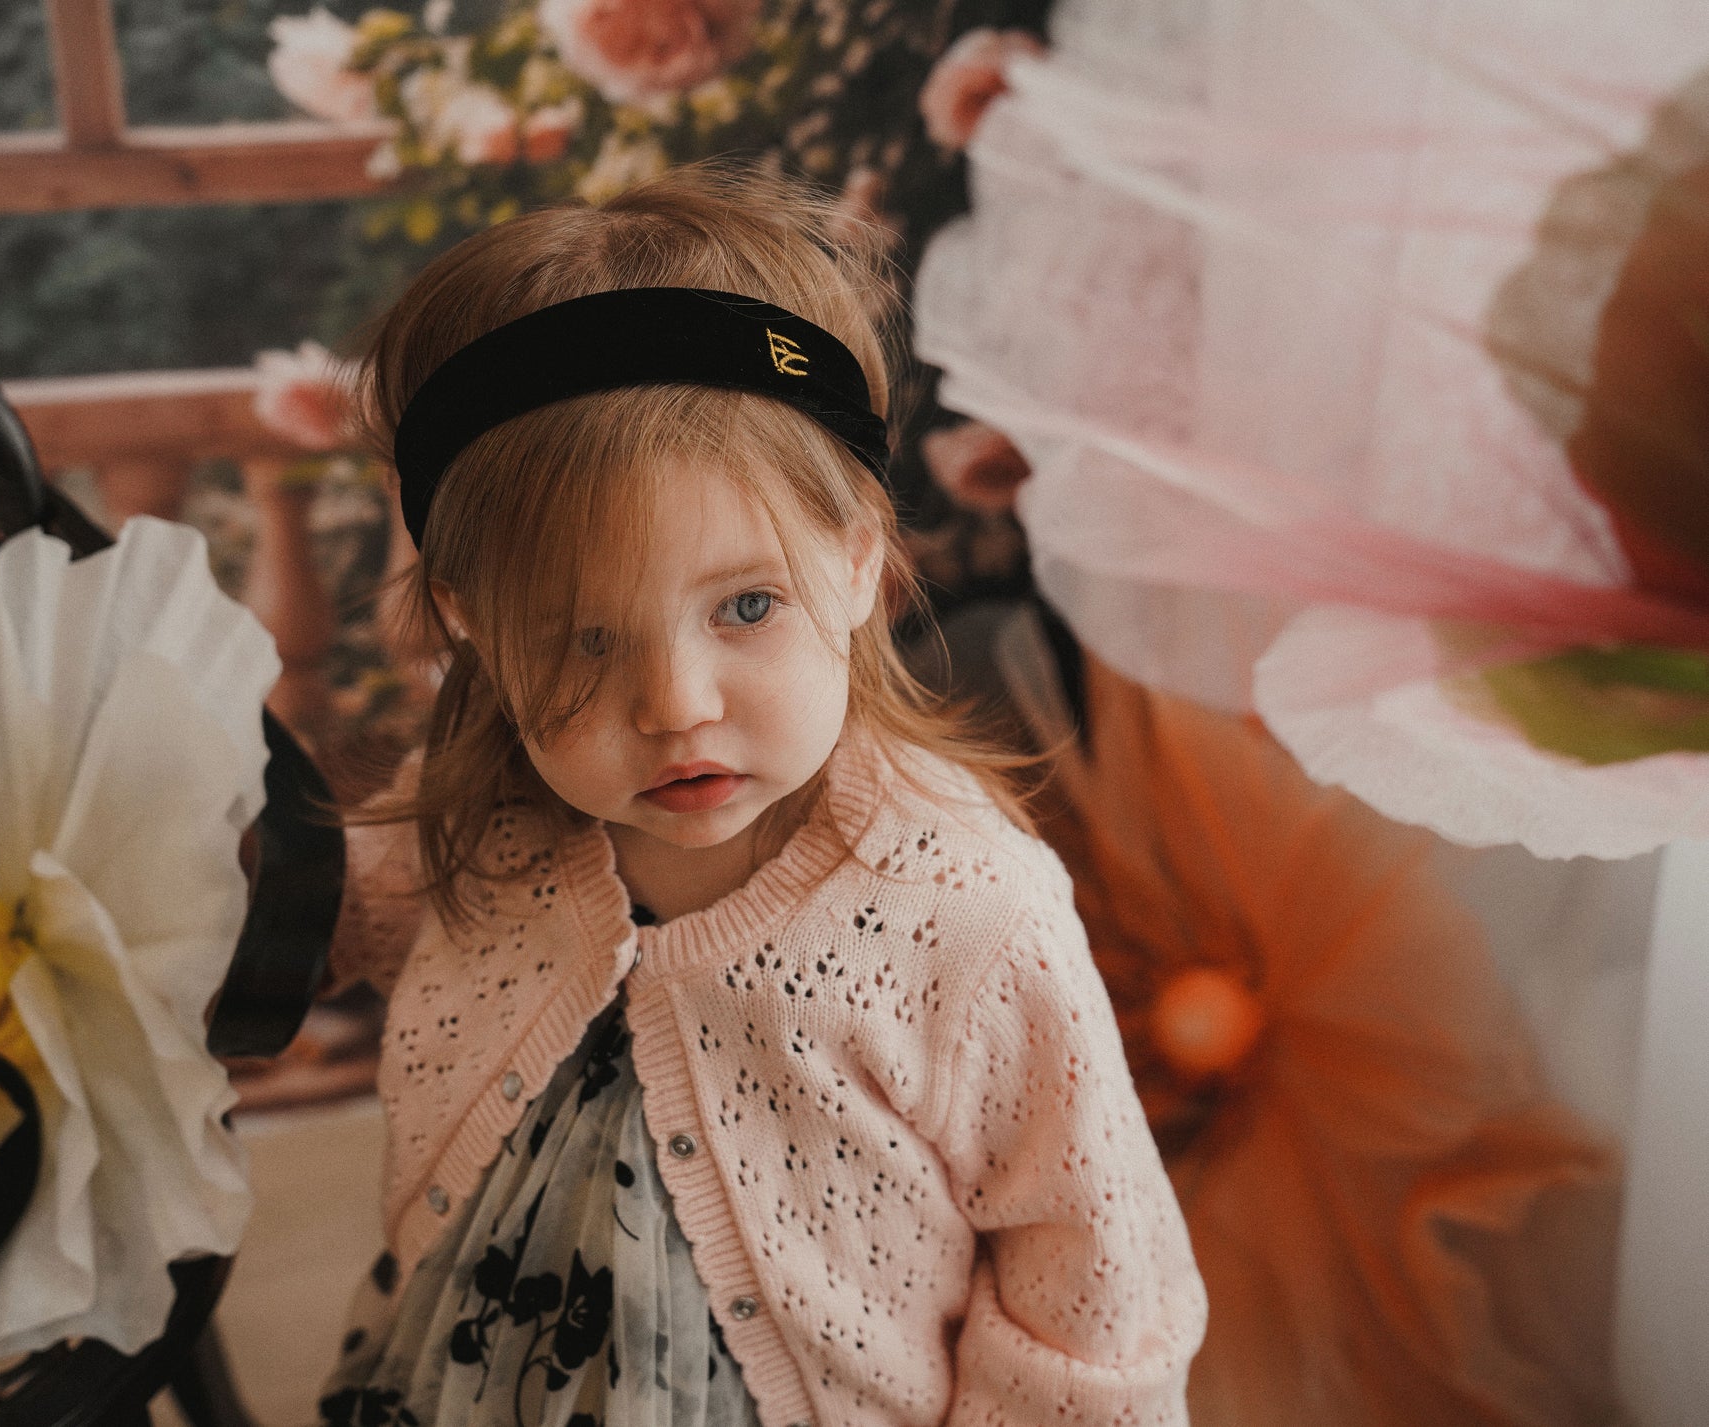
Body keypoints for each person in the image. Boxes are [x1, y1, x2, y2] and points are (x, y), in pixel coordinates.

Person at [317, 164, 1205, 1427]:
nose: (674, 703)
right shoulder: (481, 819)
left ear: (855, 561)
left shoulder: (967, 913)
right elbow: (286, 918)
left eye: (744, 604)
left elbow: (1092, 1300)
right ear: (470, 622)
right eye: (581, 638)